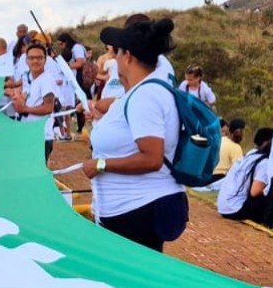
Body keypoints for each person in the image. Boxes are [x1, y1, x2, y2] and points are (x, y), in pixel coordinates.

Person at [75, 17, 188, 252]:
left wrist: (101, 164)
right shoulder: (140, 92)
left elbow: (152, 158)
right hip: (130, 210)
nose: (114, 58)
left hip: (137, 212)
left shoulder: (145, 96)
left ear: (127, 57)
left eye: (117, 52)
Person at [6, 41, 61, 161]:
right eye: (31, 58)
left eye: (39, 58)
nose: (35, 61)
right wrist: (16, 96)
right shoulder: (29, 77)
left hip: (40, 136)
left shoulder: (47, 80)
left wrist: (24, 109)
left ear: (45, 60)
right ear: (26, 60)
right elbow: (27, 96)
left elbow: (48, 108)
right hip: (27, 132)